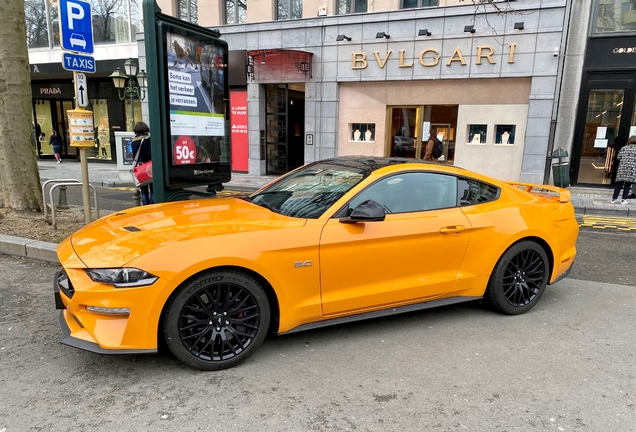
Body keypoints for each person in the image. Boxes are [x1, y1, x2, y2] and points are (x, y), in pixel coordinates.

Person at [131, 121, 153, 205]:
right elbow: (149, 153)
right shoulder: (148, 139)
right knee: (152, 189)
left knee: (144, 191)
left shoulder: (133, 141)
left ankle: (145, 207)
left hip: (139, 169)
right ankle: (151, 206)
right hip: (149, 167)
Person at [611, 135, 636, 205]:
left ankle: (613, 199)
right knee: (627, 185)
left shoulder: (623, 148)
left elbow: (618, 158)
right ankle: (623, 199)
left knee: (619, 184)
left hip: (622, 169)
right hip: (632, 170)